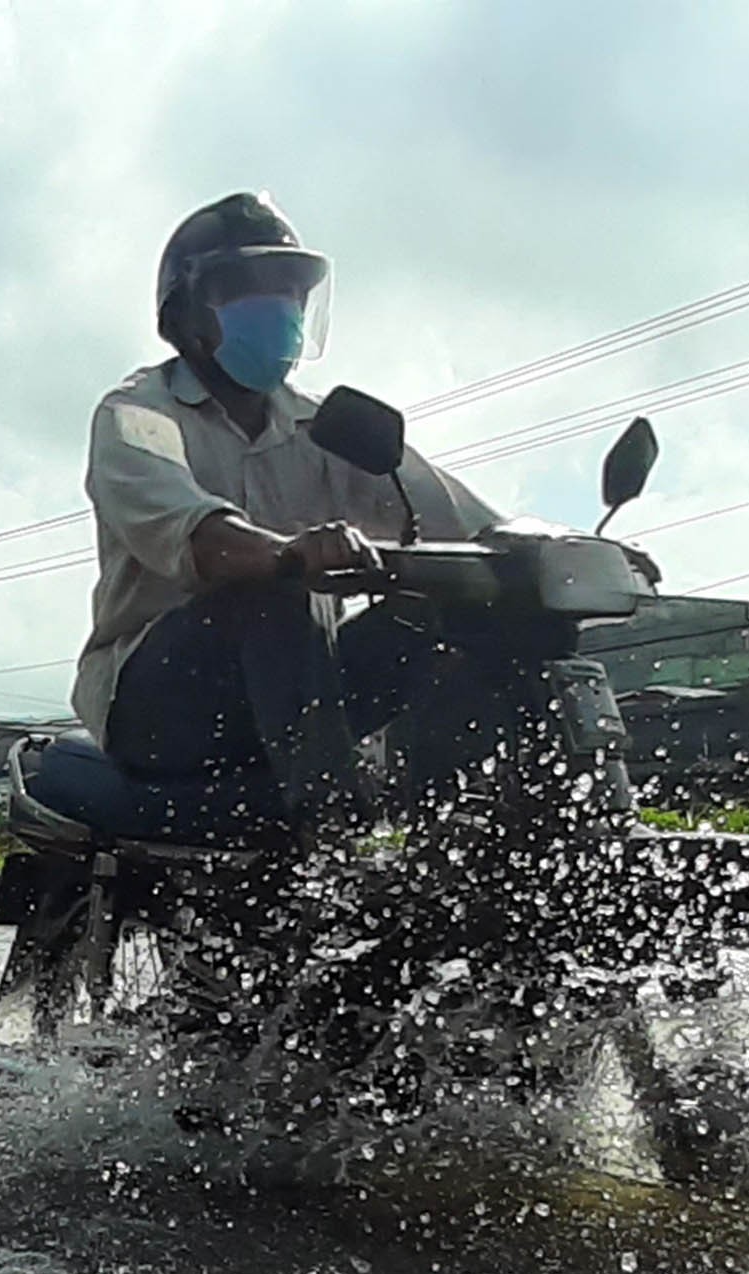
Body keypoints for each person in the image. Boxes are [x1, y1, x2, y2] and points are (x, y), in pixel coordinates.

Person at [72, 192, 502, 835]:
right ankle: (330, 846)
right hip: (160, 705)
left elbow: (464, 521)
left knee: (454, 618)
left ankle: (462, 840)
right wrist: (288, 554)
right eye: (246, 290)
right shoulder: (136, 416)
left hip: (299, 690)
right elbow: (202, 538)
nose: (276, 308)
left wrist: (551, 552)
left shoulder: (321, 426)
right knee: (274, 591)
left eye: (289, 292)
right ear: (186, 315)